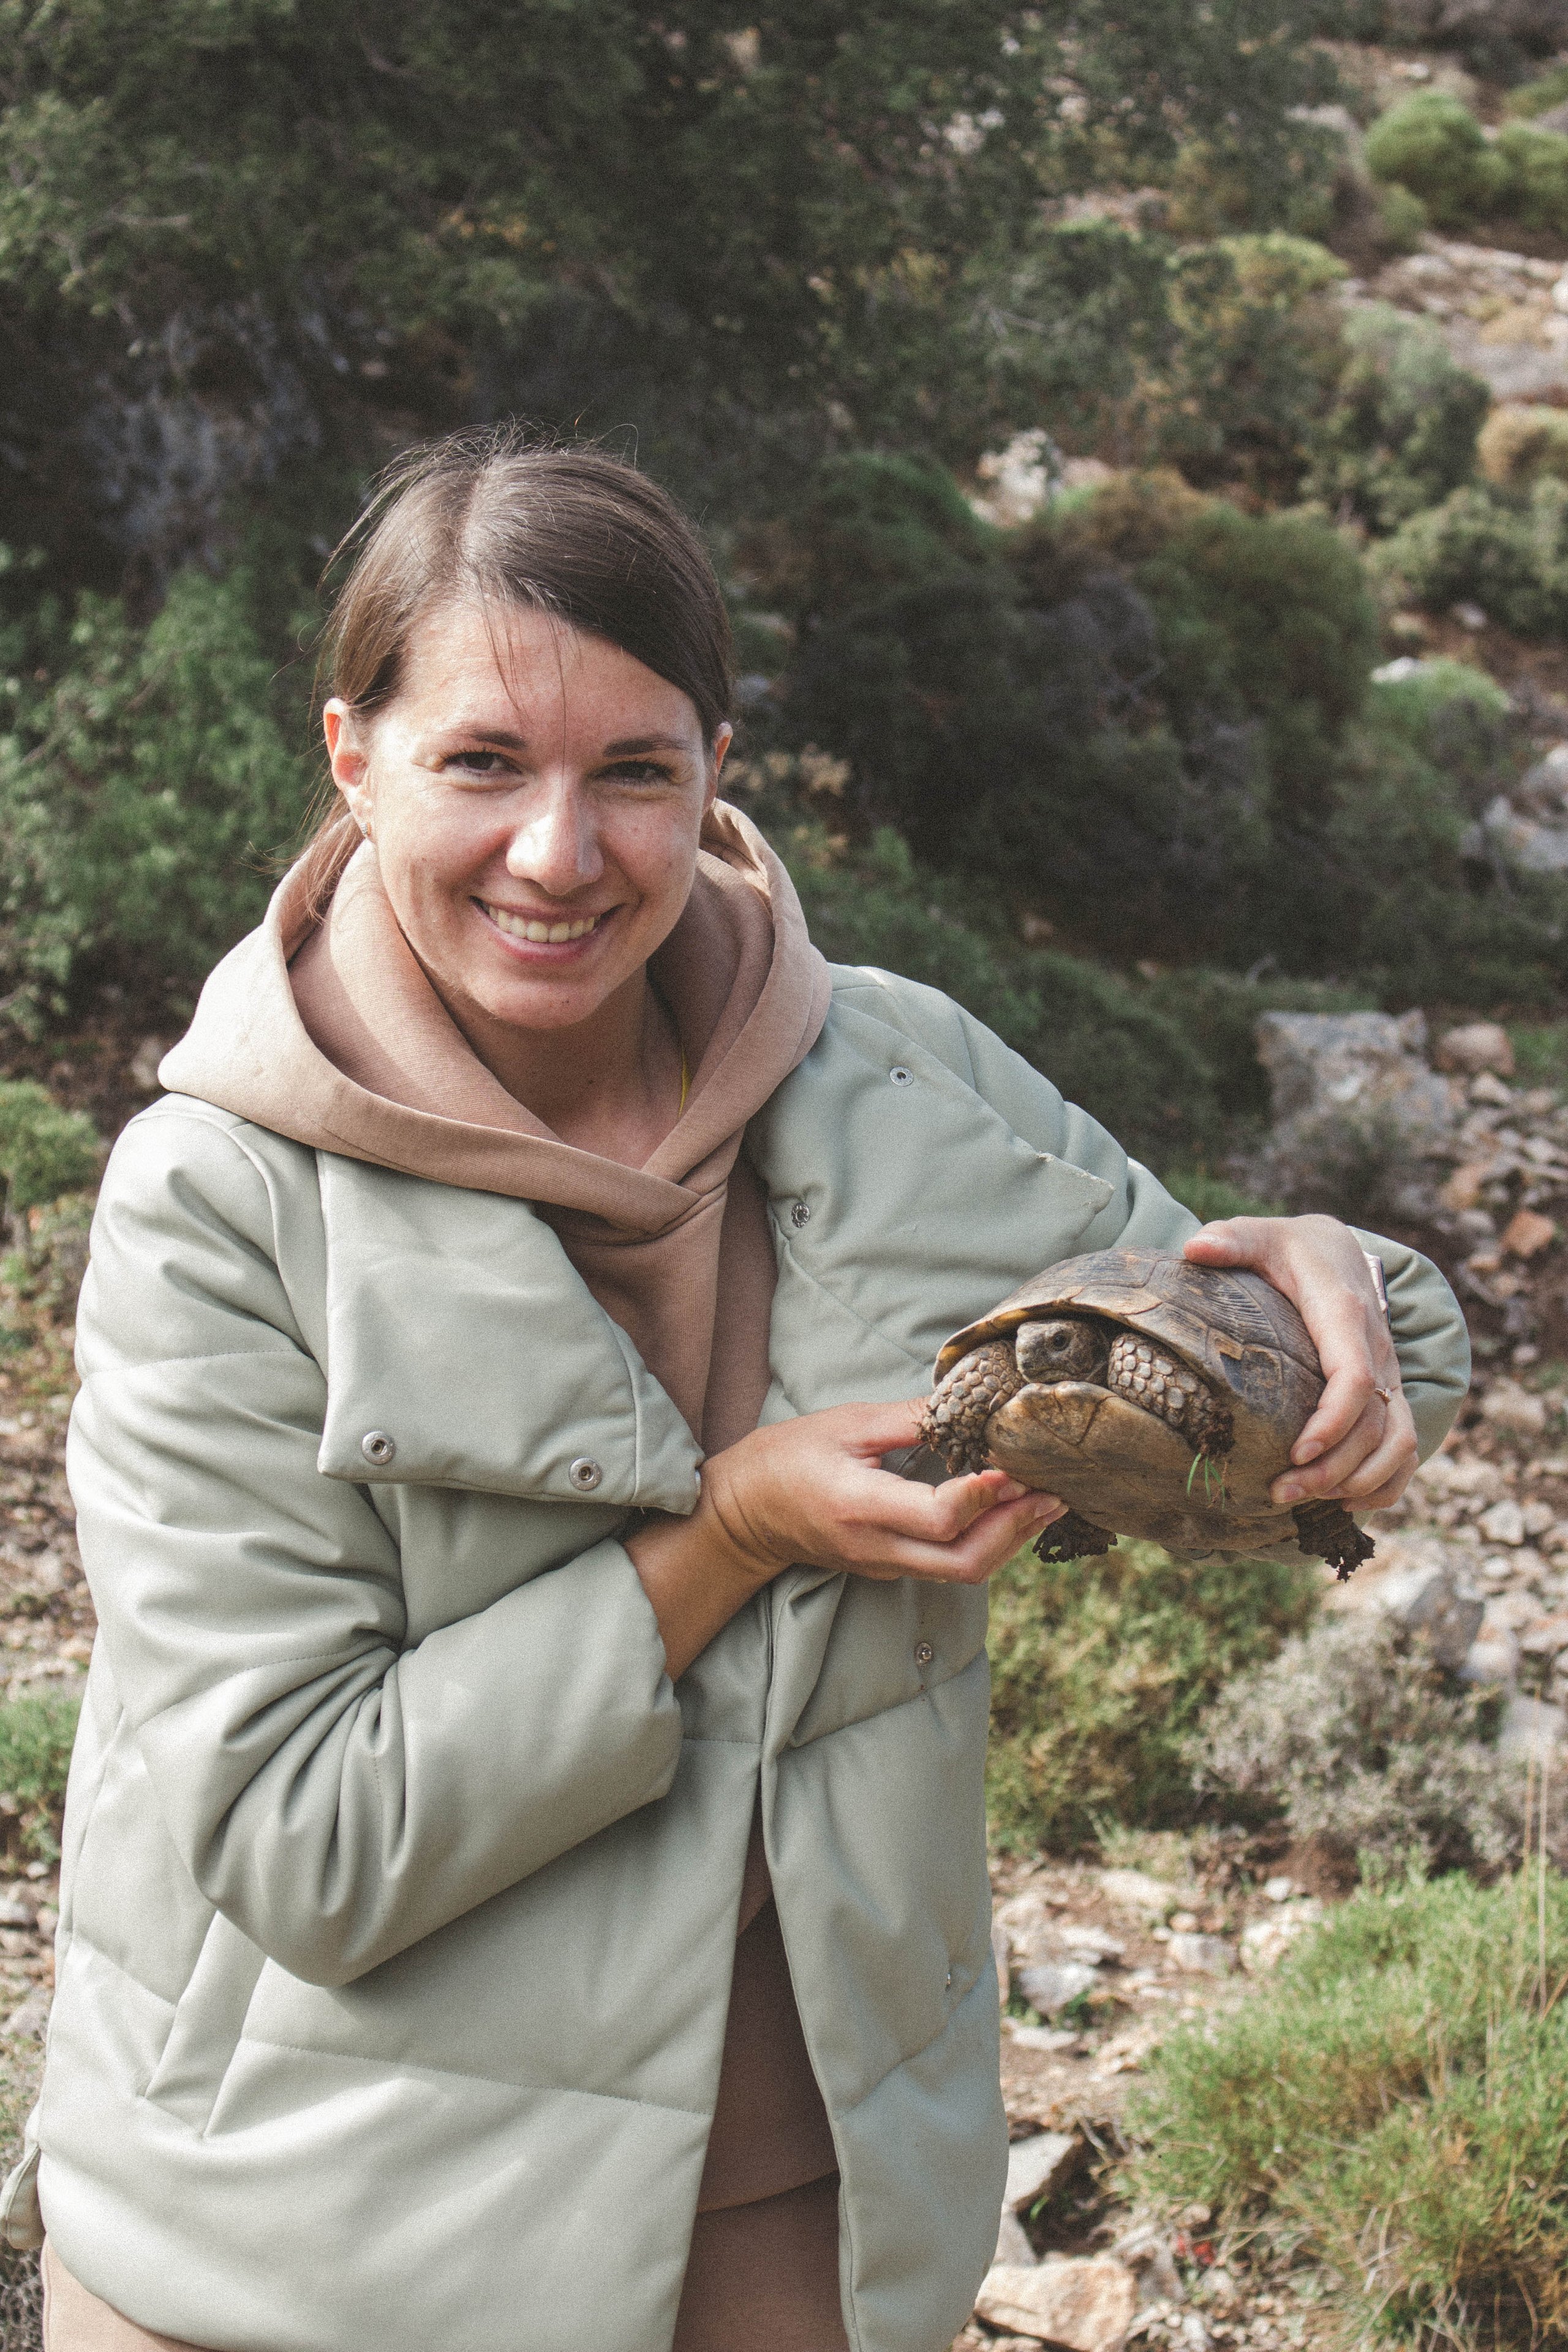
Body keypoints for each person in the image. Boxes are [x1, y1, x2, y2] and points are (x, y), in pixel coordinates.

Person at [13, 429, 1468, 2352]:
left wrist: (1321, 1285)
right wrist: (729, 1534)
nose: (562, 851)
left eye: (635, 769)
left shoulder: (889, 1068)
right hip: (309, 2247)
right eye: (480, 765)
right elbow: (309, 1838)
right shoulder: (218, 1202)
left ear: (717, 766)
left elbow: (1294, 1364)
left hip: (805, 2230)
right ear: (351, 761)